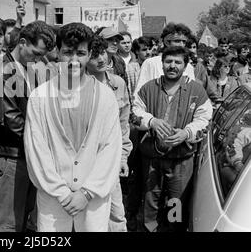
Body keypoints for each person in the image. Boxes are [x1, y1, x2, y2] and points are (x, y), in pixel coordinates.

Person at [24, 23, 122, 232]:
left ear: (89, 55)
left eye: (81, 53)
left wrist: (87, 193)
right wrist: (61, 192)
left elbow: (110, 149)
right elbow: (36, 150)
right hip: (54, 199)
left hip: (93, 199)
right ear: (57, 52)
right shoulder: (39, 98)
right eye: (68, 52)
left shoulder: (105, 96)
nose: (74, 60)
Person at [133, 46, 213, 232]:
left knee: (175, 201)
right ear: (162, 63)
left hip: (181, 160)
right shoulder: (148, 88)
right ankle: (149, 228)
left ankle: (172, 229)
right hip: (152, 158)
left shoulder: (196, 90)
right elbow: (134, 114)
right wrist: (151, 121)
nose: (172, 66)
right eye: (168, 61)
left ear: (185, 66)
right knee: (151, 199)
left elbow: (205, 119)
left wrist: (187, 133)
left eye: (177, 62)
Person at [0, 20, 55, 232]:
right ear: (22, 42)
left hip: (28, 154)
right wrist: (42, 141)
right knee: (8, 221)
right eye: (35, 53)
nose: (38, 59)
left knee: (23, 216)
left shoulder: (30, 70)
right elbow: (10, 117)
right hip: (12, 155)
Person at [86, 36, 131, 232]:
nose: (101, 59)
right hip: (85, 164)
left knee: (116, 215)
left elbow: (124, 125)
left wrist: (123, 157)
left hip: (111, 161)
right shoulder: (77, 86)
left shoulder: (118, 84)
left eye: (103, 52)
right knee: (88, 217)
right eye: (94, 55)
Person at [134, 23, 196, 96]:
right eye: (177, 41)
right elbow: (139, 94)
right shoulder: (151, 63)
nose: (181, 44)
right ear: (167, 42)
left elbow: (193, 94)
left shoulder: (188, 67)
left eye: (184, 41)